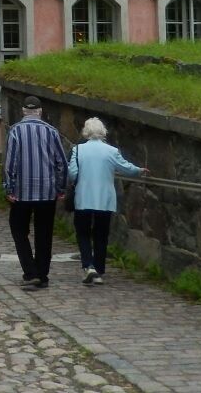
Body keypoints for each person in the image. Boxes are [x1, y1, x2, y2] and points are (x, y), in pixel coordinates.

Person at [66, 116, 148, 285]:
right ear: (103, 132)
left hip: (84, 197)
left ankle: (88, 266)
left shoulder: (78, 150)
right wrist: (139, 170)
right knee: (101, 234)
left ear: (86, 132)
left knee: (83, 233)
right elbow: (126, 168)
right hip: (104, 199)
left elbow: (72, 174)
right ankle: (99, 269)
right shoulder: (111, 151)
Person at [2, 95, 68, 289]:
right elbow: (61, 163)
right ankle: (42, 274)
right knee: (44, 233)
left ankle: (30, 272)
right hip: (47, 192)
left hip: (22, 193)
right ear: (40, 111)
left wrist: (9, 188)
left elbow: (10, 164)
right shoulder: (52, 132)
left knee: (18, 229)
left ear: (23, 111)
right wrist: (61, 188)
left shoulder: (15, 131)